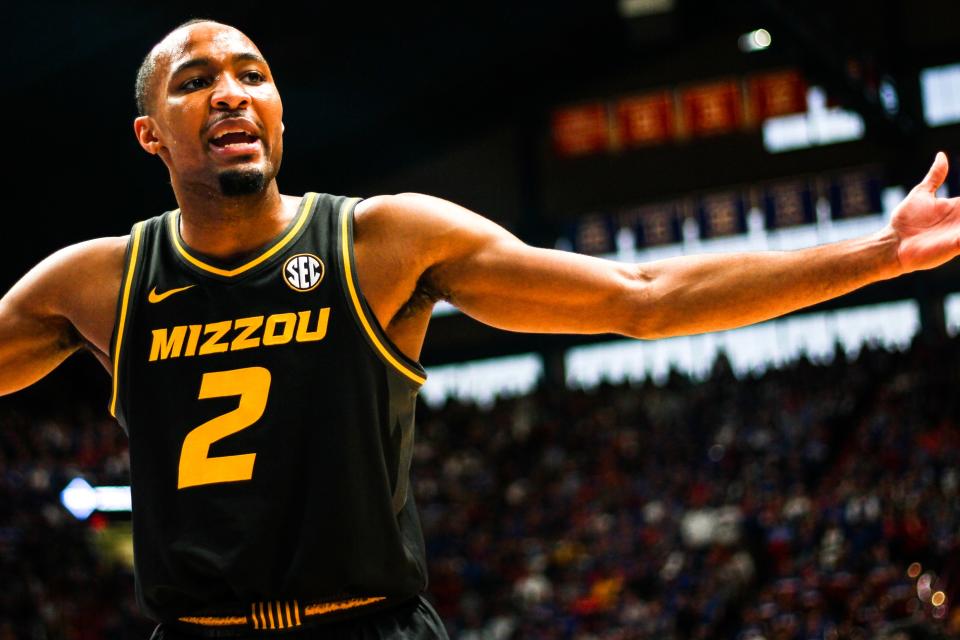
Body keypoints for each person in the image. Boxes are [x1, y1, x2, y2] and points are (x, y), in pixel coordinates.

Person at [0, 17, 957, 640]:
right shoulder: (99, 280)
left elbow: (644, 290)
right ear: (152, 134)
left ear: (280, 112)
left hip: (369, 624)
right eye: (195, 80)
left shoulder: (379, 239)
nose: (231, 92)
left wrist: (880, 255)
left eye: (252, 74)